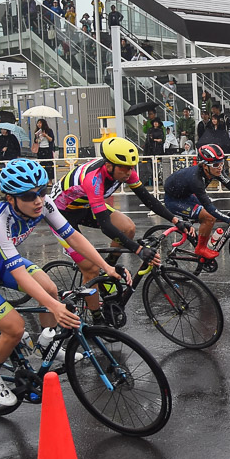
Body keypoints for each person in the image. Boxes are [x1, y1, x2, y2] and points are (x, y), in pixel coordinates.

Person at [0, 159, 124, 406]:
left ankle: (44, 344)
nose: (39, 200)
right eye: (30, 196)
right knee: (14, 327)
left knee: (51, 289)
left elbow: (73, 237)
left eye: (42, 191)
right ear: (11, 198)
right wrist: (55, 308)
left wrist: (106, 266)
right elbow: (20, 274)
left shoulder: (44, 205)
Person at [51, 137, 182, 322]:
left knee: (128, 227)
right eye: (124, 168)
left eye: (131, 167)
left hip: (84, 205)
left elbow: (148, 199)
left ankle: (107, 270)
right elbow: (106, 226)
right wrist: (138, 250)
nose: (129, 172)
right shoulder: (93, 179)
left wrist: (176, 221)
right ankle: (97, 318)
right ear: (109, 165)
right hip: (62, 214)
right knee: (90, 268)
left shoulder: (125, 171)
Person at [163, 144, 230, 262]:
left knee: (213, 216)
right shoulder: (196, 180)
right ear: (205, 166)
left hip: (186, 195)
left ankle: (201, 236)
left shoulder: (213, 170)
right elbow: (209, 207)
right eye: (216, 165)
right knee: (209, 217)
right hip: (174, 201)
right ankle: (200, 248)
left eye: (221, 163)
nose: (220, 167)